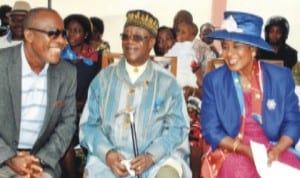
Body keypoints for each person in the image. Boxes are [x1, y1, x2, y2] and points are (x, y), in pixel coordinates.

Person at [79, 9, 191, 178]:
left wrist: (151, 156)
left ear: (152, 41)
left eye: (137, 37)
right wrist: (108, 154)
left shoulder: (168, 83)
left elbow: (177, 128)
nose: (129, 42)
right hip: (109, 161)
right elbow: (89, 125)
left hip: (156, 160)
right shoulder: (103, 80)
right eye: (125, 36)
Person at [201, 11, 300, 178]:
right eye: (225, 46)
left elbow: (293, 123)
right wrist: (246, 150)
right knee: (238, 171)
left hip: (273, 148)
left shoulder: (280, 77)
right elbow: (211, 129)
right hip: (233, 148)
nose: (228, 54)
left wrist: (278, 149)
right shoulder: (214, 81)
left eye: (236, 46)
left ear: (252, 49)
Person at [0, 7, 77, 178]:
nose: (63, 41)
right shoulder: (2, 65)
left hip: (41, 163)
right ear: (29, 36)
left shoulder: (67, 74)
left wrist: (39, 160)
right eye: (53, 34)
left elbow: (67, 123)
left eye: (63, 34)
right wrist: (9, 158)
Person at [60, 13, 101, 178]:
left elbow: (99, 86)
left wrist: (86, 103)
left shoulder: (96, 57)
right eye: (68, 30)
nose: (71, 34)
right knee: (65, 143)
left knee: (93, 141)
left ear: (85, 34)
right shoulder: (58, 56)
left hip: (88, 108)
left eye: (76, 30)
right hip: (63, 109)